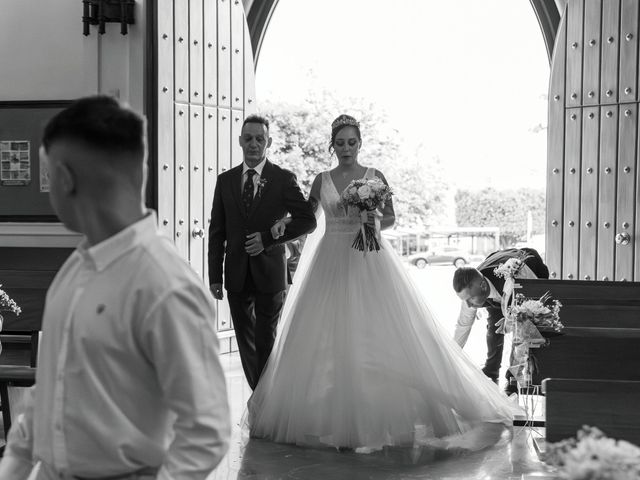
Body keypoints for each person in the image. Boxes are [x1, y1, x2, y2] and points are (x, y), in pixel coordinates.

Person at [247, 114, 520, 453]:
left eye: (352, 142)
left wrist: (372, 216)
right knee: (326, 336)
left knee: (379, 333)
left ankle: (385, 417)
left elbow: (390, 218)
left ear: (360, 144)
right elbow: (307, 216)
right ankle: (330, 417)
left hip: (369, 259)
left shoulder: (375, 177)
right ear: (333, 145)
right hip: (330, 261)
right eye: (341, 143)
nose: (347, 148)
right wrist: (284, 224)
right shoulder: (321, 180)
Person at [0, 96, 231, 480]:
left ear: (64, 178)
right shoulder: (77, 266)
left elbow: (206, 430)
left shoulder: (165, 284)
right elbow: (52, 385)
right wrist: (16, 466)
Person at [208, 114, 316, 390]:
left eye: (260, 138)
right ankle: (260, 396)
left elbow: (308, 220)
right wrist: (214, 276)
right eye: (248, 138)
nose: (253, 144)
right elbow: (217, 231)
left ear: (269, 142)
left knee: (265, 338)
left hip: (270, 274)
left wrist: (268, 238)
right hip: (235, 274)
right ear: (239, 141)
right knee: (245, 341)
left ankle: (263, 400)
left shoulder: (282, 179)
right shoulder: (225, 181)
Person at [452, 247, 550, 393]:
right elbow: (463, 325)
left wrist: (516, 321)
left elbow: (525, 328)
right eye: (465, 300)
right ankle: (491, 370)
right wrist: (451, 355)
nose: (468, 304)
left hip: (528, 274)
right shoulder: (471, 289)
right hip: (495, 282)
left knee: (524, 327)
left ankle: (513, 378)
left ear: (483, 285)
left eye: (470, 299)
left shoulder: (518, 279)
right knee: (493, 328)